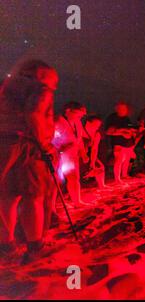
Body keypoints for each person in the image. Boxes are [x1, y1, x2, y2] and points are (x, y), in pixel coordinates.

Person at [0, 60, 58, 258]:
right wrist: (43, 144)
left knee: (8, 196)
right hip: (27, 147)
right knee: (33, 196)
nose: (55, 83)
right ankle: (34, 245)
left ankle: (6, 243)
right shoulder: (40, 89)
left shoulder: (7, 89)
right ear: (41, 74)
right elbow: (34, 114)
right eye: (53, 78)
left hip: (4, 145)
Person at [52, 102, 90, 207]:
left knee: (74, 178)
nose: (82, 115)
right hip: (58, 156)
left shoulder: (77, 122)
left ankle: (77, 202)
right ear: (68, 110)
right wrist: (60, 148)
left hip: (72, 155)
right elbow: (48, 138)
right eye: (79, 113)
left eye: (83, 114)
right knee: (56, 181)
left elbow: (79, 139)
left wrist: (83, 153)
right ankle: (51, 208)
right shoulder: (57, 121)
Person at [105, 102, 137, 184]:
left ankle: (124, 175)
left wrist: (132, 131)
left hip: (128, 144)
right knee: (118, 161)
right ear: (117, 109)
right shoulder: (112, 118)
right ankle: (117, 179)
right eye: (121, 108)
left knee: (126, 160)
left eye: (125, 109)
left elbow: (130, 127)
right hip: (118, 144)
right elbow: (107, 131)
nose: (124, 110)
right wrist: (121, 132)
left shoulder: (126, 118)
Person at [81, 115, 109, 189]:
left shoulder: (97, 134)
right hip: (78, 154)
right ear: (88, 123)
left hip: (88, 154)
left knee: (100, 167)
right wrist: (83, 155)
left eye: (98, 125)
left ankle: (102, 185)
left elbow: (94, 149)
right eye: (95, 124)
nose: (97, 127)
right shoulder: (80, 131)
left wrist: (92, 163)